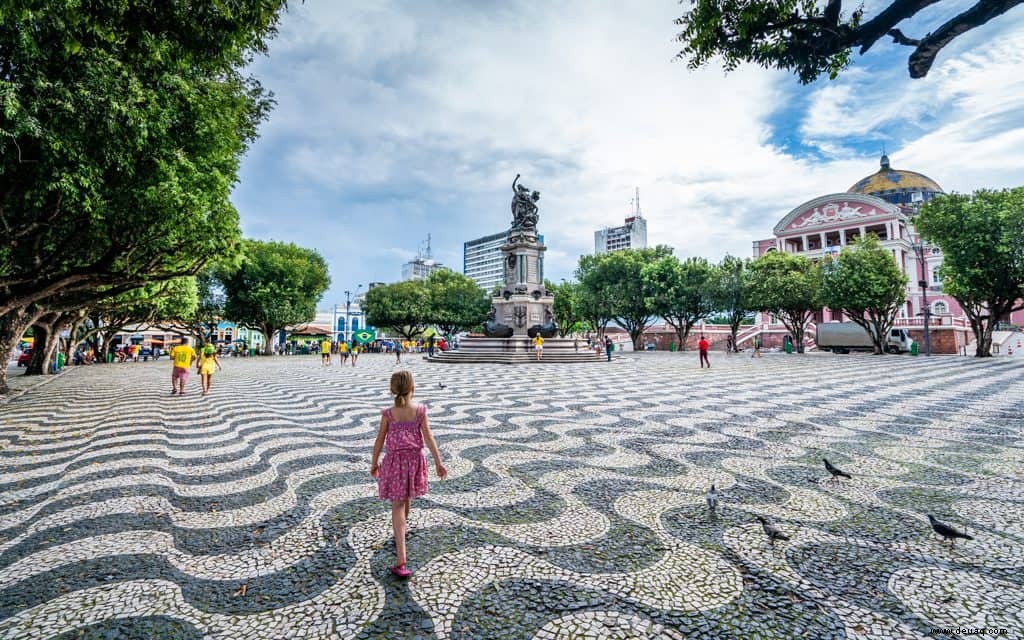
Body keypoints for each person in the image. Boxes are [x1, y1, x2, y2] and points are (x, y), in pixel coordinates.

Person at [370, 370, 447, 578]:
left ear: (393, 389)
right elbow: (429, 438)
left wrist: (374, 462)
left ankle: (401, 556)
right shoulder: (420, 410)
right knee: (405, 499)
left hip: (394, 461)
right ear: (413, 388)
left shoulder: (388, 413)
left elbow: (379, 440)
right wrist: (439, 463)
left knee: (398, 503)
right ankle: (401, 531)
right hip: (414, 460)